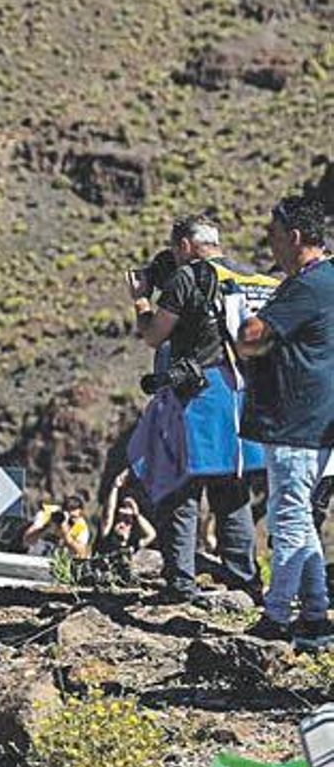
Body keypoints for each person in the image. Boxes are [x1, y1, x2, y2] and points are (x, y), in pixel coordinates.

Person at [129, 215, 261, 600]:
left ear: (185, 245)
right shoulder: (251, 278)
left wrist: (140, 298)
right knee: (233, 491)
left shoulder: (189, 277)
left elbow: (154, 335)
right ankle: (243, 582)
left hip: (199, 396)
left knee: (179, 489)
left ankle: (181, 583)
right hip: (244, 395)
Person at [238, 195, 334, 648]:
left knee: (290, 517)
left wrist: (245, 329)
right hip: (314, 418)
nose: (269, 244)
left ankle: (277, 617)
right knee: (299, 516)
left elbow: (251, 337)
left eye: (274, 235)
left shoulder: (306, 286)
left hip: (297, 419)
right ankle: (315, 615)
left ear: (295, 237)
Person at [22, 496, 93, 559]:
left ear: (81, 513)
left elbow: (81, 553)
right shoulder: (48, 514)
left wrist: (67, 538)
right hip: (37, 556)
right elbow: (27, 539)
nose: (69, 520)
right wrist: (47, 527)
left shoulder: (80, 526)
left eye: (73, 517)